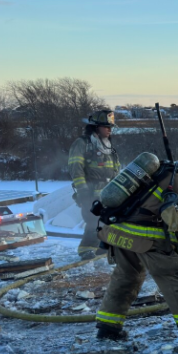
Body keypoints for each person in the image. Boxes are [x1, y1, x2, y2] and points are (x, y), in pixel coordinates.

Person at [94, 150, 178, 341]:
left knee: (125, 277)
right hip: (148, 236)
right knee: (171, 275)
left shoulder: (165, 169)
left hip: (118, 231)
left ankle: (108, 327)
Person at [69, 110, 121, 259]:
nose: (109, 129)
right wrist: (83, 191)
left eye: (110, 127)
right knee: (93, 222)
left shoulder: (109, 146)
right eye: (106, 126)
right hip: (90, 193)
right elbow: (75, 169)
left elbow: (115, 171)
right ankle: (86, 251)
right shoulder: (82, 143)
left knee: (107, 223)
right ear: (95, 127)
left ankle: (102, 251)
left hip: (108, 195)